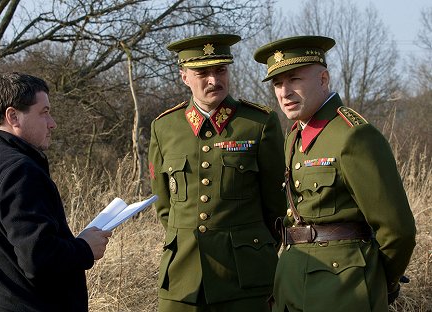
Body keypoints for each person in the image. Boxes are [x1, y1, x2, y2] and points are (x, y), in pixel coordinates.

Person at [254, 35, 417, 312]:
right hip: (293, 281)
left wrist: (379, 281)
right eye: (278, 84)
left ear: (323, 79)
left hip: (343, 288)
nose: (284, 92)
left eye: (294, 79)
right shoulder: (294, 137)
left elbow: (397, 230)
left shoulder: (354, 135)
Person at [148, 34, 287, 312]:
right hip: (182, 277)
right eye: (203, 73)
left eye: (221, 70)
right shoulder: (164, 127)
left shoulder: (258, 123)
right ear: (184, 76)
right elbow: (164, 205)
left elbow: (276, 204)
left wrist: (259, 252)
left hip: (246, 277)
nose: (214, 80)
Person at [0, 72, 112, 312]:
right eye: (44, 112)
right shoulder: (19, 171)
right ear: (13, 116)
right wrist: (84, 248)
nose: (52, 123)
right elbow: (38, 258)